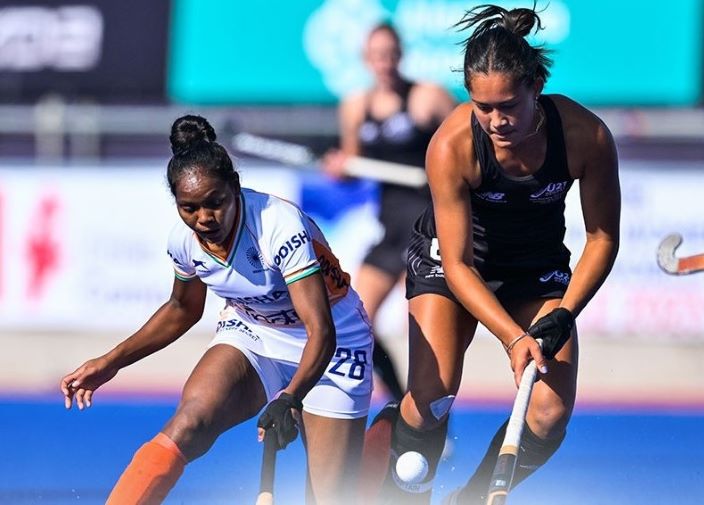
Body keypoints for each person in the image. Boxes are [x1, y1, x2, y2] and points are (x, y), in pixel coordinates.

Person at [363, 4, 620, 504]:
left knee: (549, 414)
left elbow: (602, 239)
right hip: (453, 264)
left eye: (508, 106)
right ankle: (400, 484)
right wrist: (513, 337)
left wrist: (564, 313)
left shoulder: (585, 136)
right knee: (432, 398)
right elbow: (458, 265)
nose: (496, 121)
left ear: (536, 87)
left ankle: (471, 499)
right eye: (483, 107)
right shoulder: (452, 145)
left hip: (535, 269)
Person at [60, 115, 373, 505]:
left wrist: (290, 397)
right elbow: (182, 309)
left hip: (335, 344)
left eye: (215, 203)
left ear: (235, 187)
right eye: (189, 208)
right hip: (253, 332)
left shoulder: (278, 225)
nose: (204, 219)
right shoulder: (184, 241)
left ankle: (387, 442)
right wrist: (111, 362)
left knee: (330, 499)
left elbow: (321, 330)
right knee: (188, 423)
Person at [324, 22, 455, 400]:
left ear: (401, 55)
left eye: (390, 54)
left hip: (428, 229)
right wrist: (341, 167)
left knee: (427, 331)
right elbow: (353, 167)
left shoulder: (427, 98)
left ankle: (430, 414)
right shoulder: (355, 106)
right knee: (355, 321)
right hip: (390, 230)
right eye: (376, 55)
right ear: (366, 59)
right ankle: (400, 402)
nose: (384, 62)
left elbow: (468, 143)